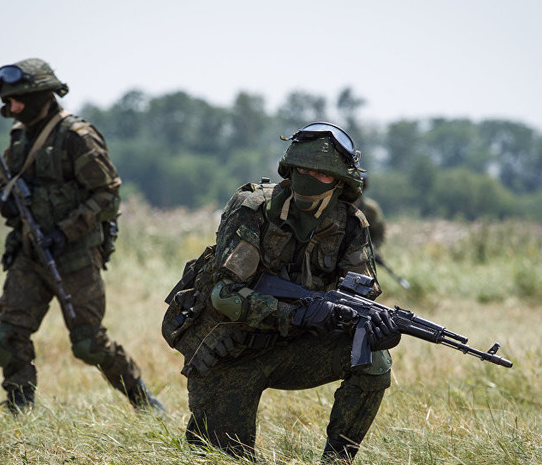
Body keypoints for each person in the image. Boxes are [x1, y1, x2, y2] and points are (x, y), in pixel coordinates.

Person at [162, 122, 400, 462]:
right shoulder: (253, 208)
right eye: (302, 169)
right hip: (232, 353)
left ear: (341, 183)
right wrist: (294, 313)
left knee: (374, 359)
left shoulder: (351, 224)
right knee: (226, 458)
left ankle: (337, 460)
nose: (309, 179)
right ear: (288, 170)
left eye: (322, 175)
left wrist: (375, 328)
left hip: (295, 349)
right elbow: (225, 295)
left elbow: (358, 301)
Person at [0, 58, 162, 413]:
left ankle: (143, 400)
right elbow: (6, 188)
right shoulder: (19, 138)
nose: (12, 107)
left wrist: (63, 232)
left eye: (18, 99)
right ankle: (19, 408)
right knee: (9, 336)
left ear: (40, 95)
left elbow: (106, 195)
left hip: (74, 256)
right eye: (9, 101)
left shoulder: (75, 137)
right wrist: (6, 203)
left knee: (88, 345)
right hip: (30, 253)